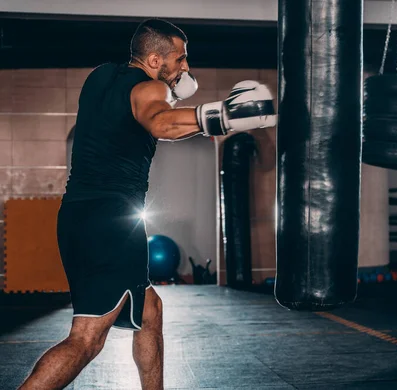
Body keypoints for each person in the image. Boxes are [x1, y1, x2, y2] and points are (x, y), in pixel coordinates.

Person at [18, 18, 276, 390]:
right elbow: (160, 123)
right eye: (180, 59)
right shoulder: (150, 88)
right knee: (87, 339)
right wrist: (225, 116)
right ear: (155, 60)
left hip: (78, 215)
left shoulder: (99, 77)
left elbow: (134, 117)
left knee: (150, 311)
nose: (185, 67)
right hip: (111, 223)